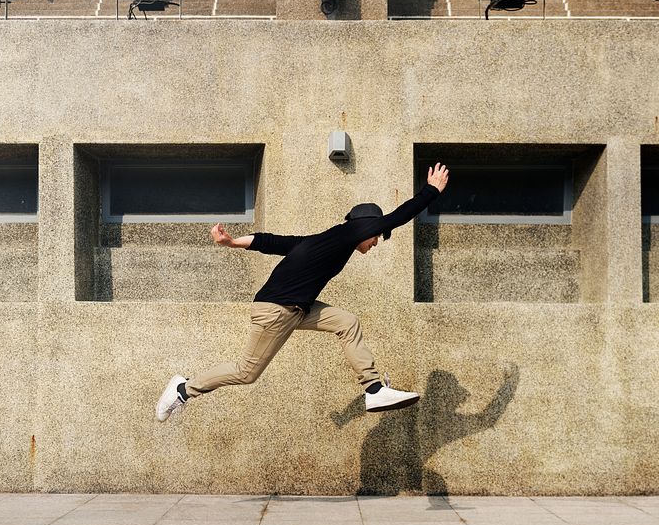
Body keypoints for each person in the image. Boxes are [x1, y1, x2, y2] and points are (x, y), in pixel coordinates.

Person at [155, 163, 450, 422]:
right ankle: (183, 389)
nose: (375, 242)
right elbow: (397, 217)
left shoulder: (323, 241)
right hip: (276, 310)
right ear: (365, 227)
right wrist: (430, 192)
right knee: (246, 372)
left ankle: (373, 390)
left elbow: (272, 242)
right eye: (376, 235)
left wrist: (232, 243)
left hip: (298, 310)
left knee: (347, 322)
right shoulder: (348, 233)